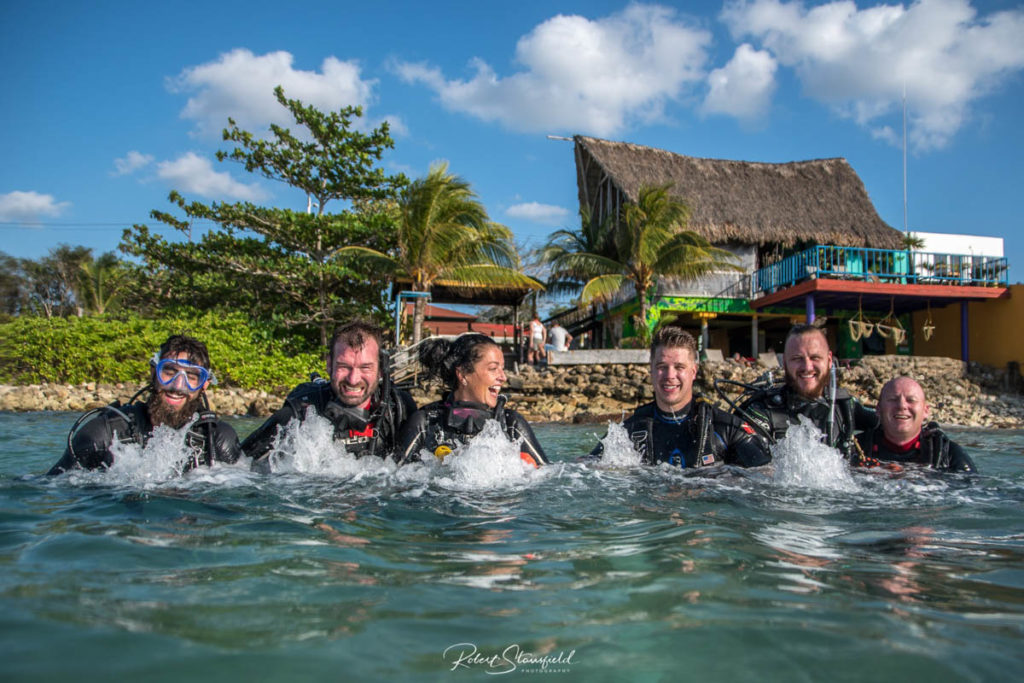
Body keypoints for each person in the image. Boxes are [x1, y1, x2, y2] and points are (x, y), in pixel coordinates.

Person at [47, 334, 241, 474]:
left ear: (204, 385)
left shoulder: (216, 439)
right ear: (153, 373)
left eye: (192, 377)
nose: (178, 386)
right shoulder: (104, 433)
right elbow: (54, 490)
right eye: (169, 372)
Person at [242, 320, 416, 471]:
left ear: (381, 370)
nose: (353, 379)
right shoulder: (300, 414)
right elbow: (235, 468)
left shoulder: (399, 409)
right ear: (329, 365)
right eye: (344, 366)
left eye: (365, 367)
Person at [588, 325, 769, 468]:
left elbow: (767, 477)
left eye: (679, 367)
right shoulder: (628, 431)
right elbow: (584, 469)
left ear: (693, 372)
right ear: (651, 371)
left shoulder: (726, 428)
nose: (669, 375)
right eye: (661, 367)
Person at [395, 333, 549, 466]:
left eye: (502, 368)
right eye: (493, 369)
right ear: (462, 374)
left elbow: (548, 478)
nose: (503, 377)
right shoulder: (426, 423)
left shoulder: (510, 424)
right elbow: (393, 482)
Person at [736, 324, 874, 458]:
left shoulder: (845, 406)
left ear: (829, 360)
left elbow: (889, 431)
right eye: (797, 359)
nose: (807, 367)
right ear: (784, 363)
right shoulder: (761, 411)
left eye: (815, 358)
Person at [854, 376, 977, 473]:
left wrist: (909, 476)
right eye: (893, 399)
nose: (902, 406)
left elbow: (972, 492)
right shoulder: (854, 449)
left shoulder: (949, 455)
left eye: (911, 400)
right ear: (878, 409)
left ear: (926, 411)